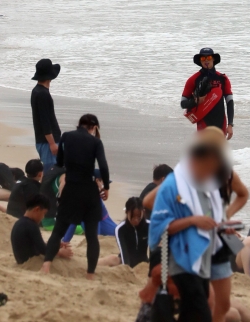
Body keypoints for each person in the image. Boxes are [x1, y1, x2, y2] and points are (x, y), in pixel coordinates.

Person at [149, 127, 228, 322]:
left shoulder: (208, 186)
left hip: (201, 259)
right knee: (202, 315)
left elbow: (209, 218)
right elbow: (159, 226)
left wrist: (221, 227)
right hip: (178, 259)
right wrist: (193, 221)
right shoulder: (174, 184)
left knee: (188, 318)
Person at [41, 113, 109, 279]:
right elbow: (104, 166)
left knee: (58, 231)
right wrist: (106, 187)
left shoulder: (66, 136)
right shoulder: (96, 142)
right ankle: (90, 274)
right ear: (93, 127)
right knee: (92, 236)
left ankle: (46, 266)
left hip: (71, 189)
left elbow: (59, 162)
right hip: (89, 192)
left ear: (79, 124)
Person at [181, 48, 233, 139]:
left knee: (219, 152)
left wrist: (230, 124)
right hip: (203, 121)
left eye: (208, 57)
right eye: (203, 58)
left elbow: (229, 102)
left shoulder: (222, 79)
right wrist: (195, 101)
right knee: (206, 152)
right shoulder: (193, 79)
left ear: (213, 59)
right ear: (200, 61)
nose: (206, 61)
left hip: (220, 122)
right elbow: (183, 103)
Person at [11, 192, 73, 265]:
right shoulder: (31, 225)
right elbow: (44, 250)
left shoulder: (19, 223)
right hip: (31, 263)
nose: (43, 217)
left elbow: (37, 245)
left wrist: (55, 245)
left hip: (21, 261)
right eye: (44, 213)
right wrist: (60, 252)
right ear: (37, 209)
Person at [98, 197, 149, 268]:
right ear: (126, 212)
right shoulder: (120, 229)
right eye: (133, 217)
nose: (136, 220)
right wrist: (127, 268)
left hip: (143, 262)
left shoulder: (149, 226)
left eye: (138, 217)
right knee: (114, 259)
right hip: (125, 260)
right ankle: (90, 264)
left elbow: (154, 249)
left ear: (143, 212)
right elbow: (123, 251)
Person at [31, 58, 61, 170]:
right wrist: (52, 143)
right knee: (51, 175)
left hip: (44, 140)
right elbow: (45, 121)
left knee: (52, 173)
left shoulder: (37, 91)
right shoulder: (42, 94)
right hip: (47, 142)